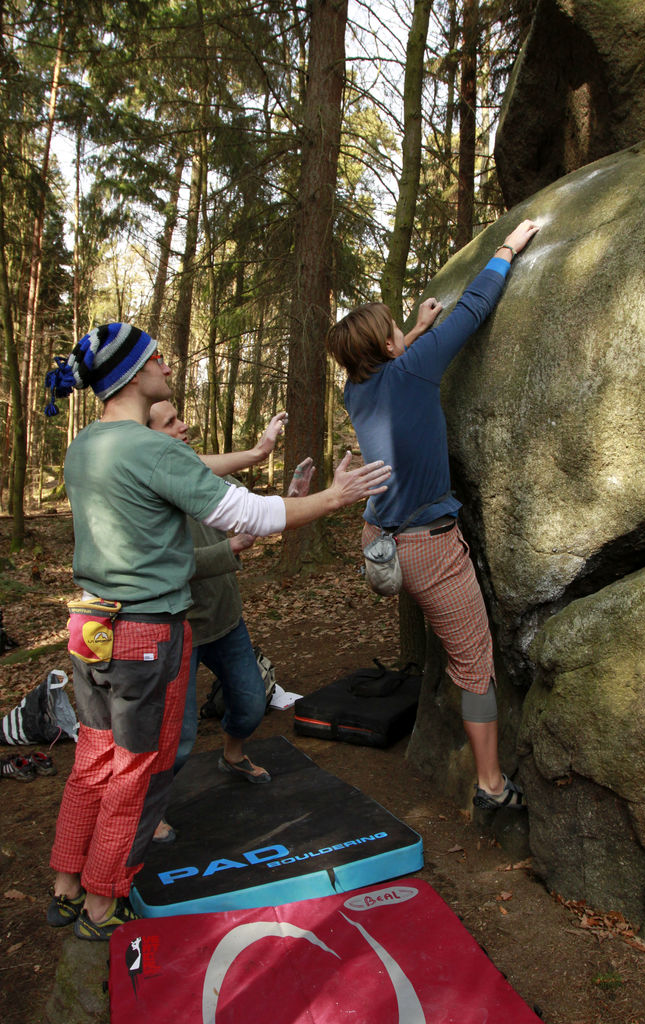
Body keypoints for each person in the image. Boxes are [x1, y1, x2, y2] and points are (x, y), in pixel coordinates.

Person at [43, 323, 391, 939]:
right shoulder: (146, 449)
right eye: (155, 360)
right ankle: (103, 904)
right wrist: (337, 498)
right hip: (144, 635)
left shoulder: (88, 445)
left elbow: (187, 471)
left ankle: (66, 885)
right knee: (136, 769)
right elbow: (246, 511)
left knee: (93, 758)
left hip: (89, 627)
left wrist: (256, 457)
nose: (166, 368)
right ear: (131, 374)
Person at [326, 220, 539, 812]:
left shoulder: (357, 391)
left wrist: (416, 329)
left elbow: (394, 368)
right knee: (474, 664)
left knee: (452, 647)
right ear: (389, 349)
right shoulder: (412, 372)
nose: (405, 327)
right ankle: (492, 785)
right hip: (429, 547)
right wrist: (507, 249)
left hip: (381, 541)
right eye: (397, 326)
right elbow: (474, 308)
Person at [147, 401, 315, 846]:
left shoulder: (210, 477)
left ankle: (232, 755)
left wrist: (291, 503)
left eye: (180, 417)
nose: (184, 426)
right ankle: (151, 809)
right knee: (177, 736)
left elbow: (250, 510)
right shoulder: (149, 494)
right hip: (178, 629)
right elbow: (168, 565)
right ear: (145, 437)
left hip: (226, 621)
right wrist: (231, 548)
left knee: (249, 703)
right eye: (170, 423)